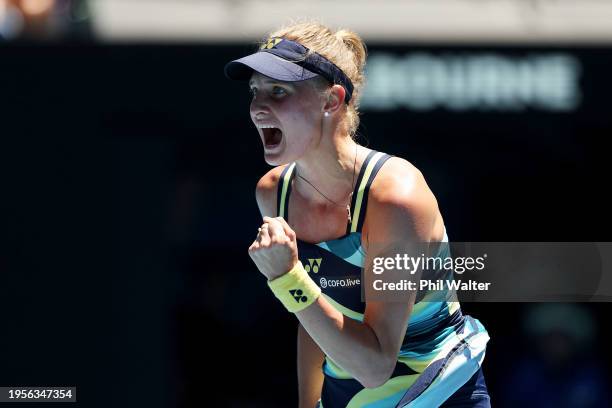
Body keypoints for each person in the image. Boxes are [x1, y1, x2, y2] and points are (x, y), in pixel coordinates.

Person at [225, 21, 490, 408]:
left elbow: (375, 366)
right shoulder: (273, 192)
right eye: (255, 91)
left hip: (439, 393)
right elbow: (316, 316)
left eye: (278, 91)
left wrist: (287, 278)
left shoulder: (396, 198)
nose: (257, 107)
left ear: (331, 101)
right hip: (344, 396)